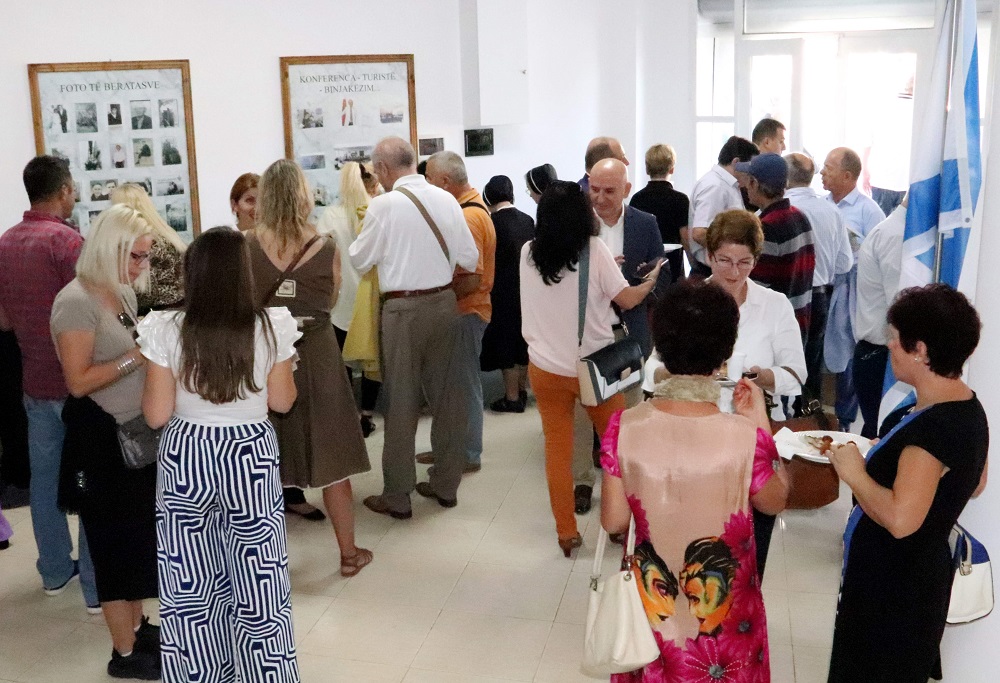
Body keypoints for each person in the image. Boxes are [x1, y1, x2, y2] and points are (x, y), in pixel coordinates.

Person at [601, 280, 787, 681]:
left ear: (661, 347)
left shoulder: (623, 426)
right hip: (725, 621)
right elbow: (774, 500)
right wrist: (760, 425)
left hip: (652, 609)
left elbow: (614, 521)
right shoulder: (743, 437)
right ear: (724, 354)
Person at [138, 227, 301, 682]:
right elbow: (283, 402)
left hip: (187, 453)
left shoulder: (165, 327)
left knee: (191, 589)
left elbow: (155, 415)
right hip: (250, 453)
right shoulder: (272, 325)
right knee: (259, 583)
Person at [826, 283, 989, 683]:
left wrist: (855, 473)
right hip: (912, 584)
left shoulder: (932, 429)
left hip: (893, 594)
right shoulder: (966, 405)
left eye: (895, 338)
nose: (889, 345)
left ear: (920, 350)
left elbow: (901, 520)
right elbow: (975, 483)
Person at [520, 180, 664, 556]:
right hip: (592, 373)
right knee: (617, 448)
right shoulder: (595, 250)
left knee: (558, 451)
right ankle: (621, 525)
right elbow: (628, 298)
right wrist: (649, 281)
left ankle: (566, 533)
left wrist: (604, 272)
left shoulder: (527, 253)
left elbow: (559, 290)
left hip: (544, 369)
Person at [51, 204, 160, 679]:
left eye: (144, 258)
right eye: (135, 257)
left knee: (136, 539)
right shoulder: (74, 301)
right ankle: (123, 651)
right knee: (113, 545)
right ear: (110, 249)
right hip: (99, 438)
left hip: (132, 435)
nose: (141, 267)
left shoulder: (118, 293)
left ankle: (137, 627)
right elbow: (77, 380)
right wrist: (138, 356)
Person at [248, 159, 372, 575]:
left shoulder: (245, 246)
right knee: (332, 459)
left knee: (260, 464)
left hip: (264, 359)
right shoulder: (328, 247)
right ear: (304, 196)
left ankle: (264, 566)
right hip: (316, 355)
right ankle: (349, 554)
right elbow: (331, 301)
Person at [349, 137, 479, 519]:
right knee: (448, 401)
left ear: (385, 169)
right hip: (444, 304)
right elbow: (468, 257)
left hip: (403, 310)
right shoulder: (446, 199)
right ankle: (446, 485)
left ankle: (398, 495)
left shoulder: (382, 206)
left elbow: (360, 258)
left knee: (402, 404)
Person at [0, 156, 98, 610]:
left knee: (44, 483)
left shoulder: (5, 243)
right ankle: (98, 588)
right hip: (78, 385)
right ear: (63, 191)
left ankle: (55, 571)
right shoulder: (67, 242)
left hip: (34, 380)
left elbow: (2, 318)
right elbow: (89, 312)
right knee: (92, 480)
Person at [424, 151, 496, 473]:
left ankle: (467, 454)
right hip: (464, 311)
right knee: (454, 386)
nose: (426, 187)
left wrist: (435, 298)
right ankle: (447, 447)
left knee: (465, 387)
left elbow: (472, 278)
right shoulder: (471, 208)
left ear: (444, 182)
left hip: (466, 312)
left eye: (428, 180)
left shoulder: (467, 217)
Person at [821, 146, 886, 432]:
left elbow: (879, 255)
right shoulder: (823, 205)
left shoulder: (869, 211)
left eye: (828, 168)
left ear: (847, 176)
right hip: (823, 289)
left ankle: (846, 419)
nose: (822, 173)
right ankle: (821, 413)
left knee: (848, 353)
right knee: (823, 353)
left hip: (853, 292)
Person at [317, 161, 381, 437]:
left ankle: (346, 415)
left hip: (339, 300)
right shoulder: (376, 211)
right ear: (371, 182)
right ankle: (367, 414)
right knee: (372, 361)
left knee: (340, 362)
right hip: (372, 297)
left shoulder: (330, 215)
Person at [785, 153, 853, 404]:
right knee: (811, 365)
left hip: (787, 296)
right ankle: (808, 418)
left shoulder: (778, 210)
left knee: (782, 363)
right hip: (820, 296)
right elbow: (844, 263)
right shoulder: (831, 211)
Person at [738, 153, 815, 345]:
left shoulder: (767, 227)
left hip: (774, 330)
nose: (745, 186)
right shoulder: (800, 217)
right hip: (799, 321)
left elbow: (759, 287)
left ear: (755, 183)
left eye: (748, 181)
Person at [478, 175, 535, 413]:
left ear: (488, 197)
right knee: (523, 343)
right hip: (529, 291)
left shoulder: (491, 223)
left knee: (505, 344)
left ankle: (511, 398)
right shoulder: (528, 220)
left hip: (501, 292)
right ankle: (522, 391)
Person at [853, 197, 907, 438]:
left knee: (880, 433)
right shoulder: (896, 236)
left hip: (881, 353)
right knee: (883, 436)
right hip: (881, 356)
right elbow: (901, 309)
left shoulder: (897, 232)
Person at [686, 136, 758, 278]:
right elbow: (699, 233)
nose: (752, 174)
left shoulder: (728, 185)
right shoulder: (714, 186)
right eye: (750, 168)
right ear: (736, 162)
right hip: (710, 272)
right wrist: (732, 254)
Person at [110, 183, 186, 314]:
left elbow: (145, 292)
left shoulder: (148, 243)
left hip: (156, 318)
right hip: (176, 314)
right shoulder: (167, 236)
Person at [629, 143, 689, 283]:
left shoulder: (637, 199)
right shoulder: (680, 199)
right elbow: (685, 238)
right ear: (672, 168)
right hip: (673, 263)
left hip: (645, 265)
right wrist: (693, 265)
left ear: (647, 169)